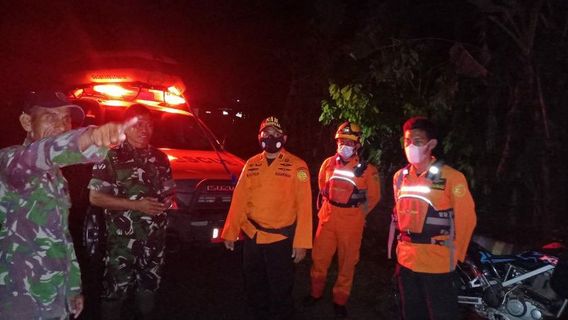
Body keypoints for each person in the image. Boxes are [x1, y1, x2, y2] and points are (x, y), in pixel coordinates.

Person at [0, 90, 136, 319]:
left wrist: (72, 288)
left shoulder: (57, 178)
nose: (61, 125)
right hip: (19, 302)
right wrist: (90, 138)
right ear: (26, 121)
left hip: (55, 300)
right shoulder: (10, 162)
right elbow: (46, 152)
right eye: (50, 116)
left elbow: (61, 236)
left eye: (65, 119)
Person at [88, 104, 175, 320]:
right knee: (114, 292)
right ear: (126, 127)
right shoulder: (110, 156)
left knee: (148, 290)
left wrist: (167, 201)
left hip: (154, 241)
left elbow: (169, 192)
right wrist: (136, 205)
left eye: (149, 125)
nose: (144, 129)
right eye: (138, 124)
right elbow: (95, 197)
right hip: (122, 243)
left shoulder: (160, 158)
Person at [221, 116, 312, 320]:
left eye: (275, 133)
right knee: (254, 286)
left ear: (284, 137)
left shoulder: (298, 166)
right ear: (259, 137)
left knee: (281, 290)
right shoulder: (251, 164)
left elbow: (305, 207)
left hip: (280, 240)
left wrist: (302, 243)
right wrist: (230, 231)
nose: (270, 137)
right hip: (252, 237)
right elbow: (239, 200)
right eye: (265, 133)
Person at [390, 116, 477, 320]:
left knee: (443, 314)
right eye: (407, 141)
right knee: (411, 312)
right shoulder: (399, 177)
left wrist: (457, 256)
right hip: (406, 260)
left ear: (432, 144)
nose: (410, 146)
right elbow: (400, 215)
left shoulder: (452, 177)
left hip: (437, 263)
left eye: (417, 141)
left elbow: (467, 219)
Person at [304, 121, 381, 318]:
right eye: (341, 140)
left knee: (347, 263)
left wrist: (358, 213)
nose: (344, 145)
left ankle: (340, 300)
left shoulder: (367, 170)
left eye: (349, 141)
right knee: (319, 259)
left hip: (351, 222)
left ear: (357, 145)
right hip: (328, 218)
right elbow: (322, 187)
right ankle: (315, 294)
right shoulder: (327, 164)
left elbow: (374, 197)